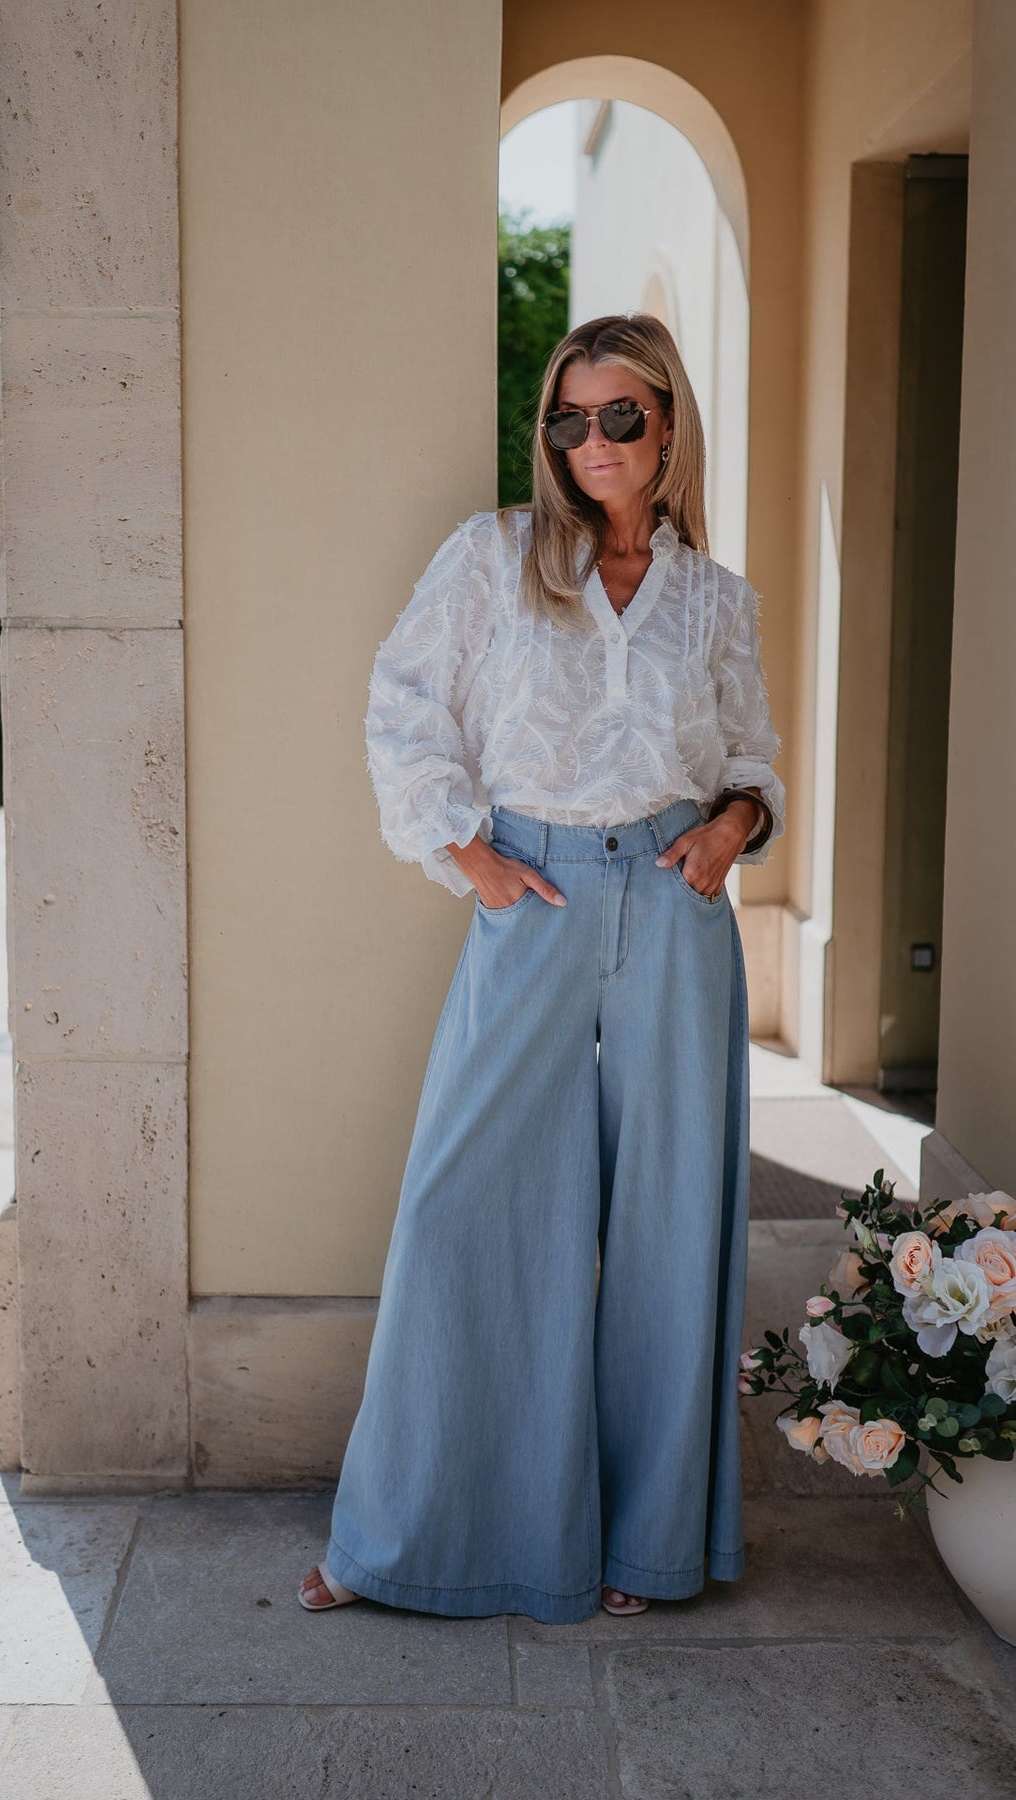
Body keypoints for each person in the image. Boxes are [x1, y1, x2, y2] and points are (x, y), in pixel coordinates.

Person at [298, 313, 785, 1624]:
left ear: (668, 426)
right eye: (570, 420)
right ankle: (399, 1542)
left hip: (675, 907)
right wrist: (470, 856)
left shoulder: (714, 599)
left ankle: (648, 1547)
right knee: (463, 1209)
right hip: (537, 891)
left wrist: (732, 829)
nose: (592, 442)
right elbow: (402, 700)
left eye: (619, 416)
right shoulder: (493, 555)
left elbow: (750, 757)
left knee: (671, 1224)